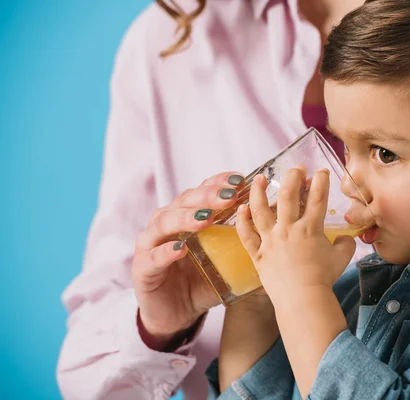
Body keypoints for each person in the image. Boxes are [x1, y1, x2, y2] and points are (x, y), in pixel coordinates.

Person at [56, 0, 410, 399]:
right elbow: (248, 397)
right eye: (345, 148)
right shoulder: (345, 291)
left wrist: (299, 295)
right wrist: (258, 287)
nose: (348, 183)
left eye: (383, 154)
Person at [56, 1, 368, 399]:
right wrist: (157, 325)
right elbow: (85, 378)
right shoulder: (172, 42)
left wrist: (301, 291)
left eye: (387, 154)